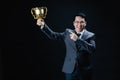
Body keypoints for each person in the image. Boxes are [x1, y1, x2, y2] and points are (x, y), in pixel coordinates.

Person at [36, 12, 96, 80]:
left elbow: (92, 49)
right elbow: (54, 35)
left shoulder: (90, 35)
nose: (79, 24)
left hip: (85, 71)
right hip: (70, 70)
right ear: (73, 23)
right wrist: (43, 26)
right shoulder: (68, 33)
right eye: (77, 22)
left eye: (81, 22)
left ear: (85, 23)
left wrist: (77, 40)